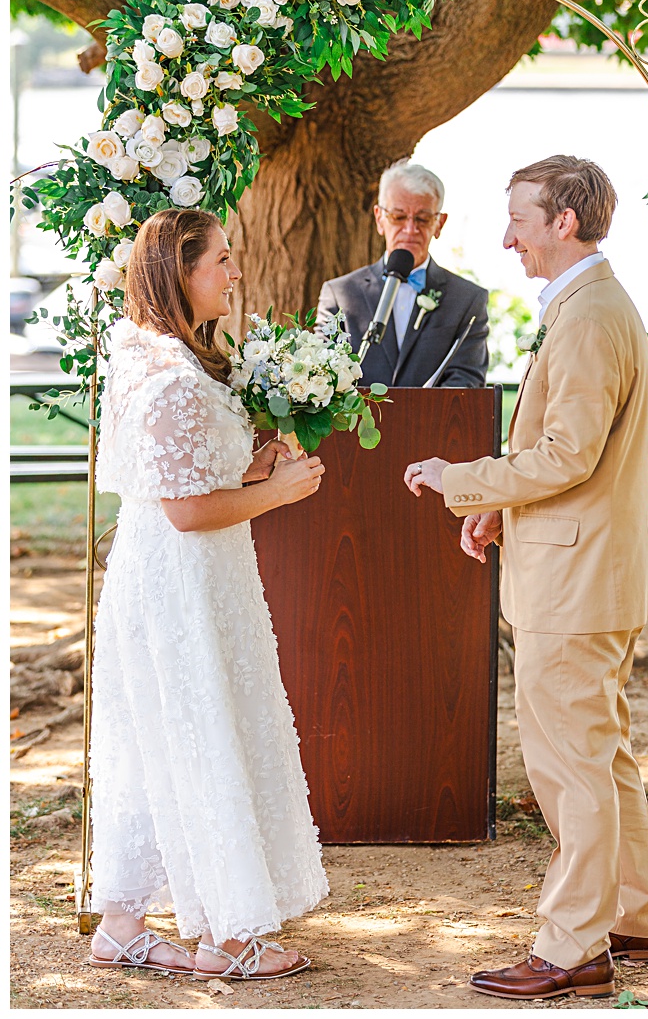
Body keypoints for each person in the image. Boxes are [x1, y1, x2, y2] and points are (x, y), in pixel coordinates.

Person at [402, 156, 648, 1001]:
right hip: (589, 571)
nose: (507, 236)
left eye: (520, 218)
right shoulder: (595, 306)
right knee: (606, 756)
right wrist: (502, 511)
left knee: (570, 768)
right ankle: (637, 914)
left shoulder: (589, 317)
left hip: (575, 585)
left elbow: (567, 453)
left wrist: (462, 480)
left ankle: (571, 948)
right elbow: (577, 462)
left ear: (566, 221)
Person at [88, 208, 328, 980]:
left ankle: (122, 925)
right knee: (204, 733)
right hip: (183, 585)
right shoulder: (166, 379)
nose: (233, 272)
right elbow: (187, 511)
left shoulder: (156, 358)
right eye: (220, 260)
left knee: (160, 738)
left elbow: (184, 479)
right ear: (179, 275)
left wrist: (254, 466)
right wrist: (280, 492)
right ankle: (227, 938)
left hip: (175, 574)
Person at [318, 158, 490, 387]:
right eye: (398, 217)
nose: (410, 229)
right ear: (380, 219)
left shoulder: (468, 299)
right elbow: (323, 373)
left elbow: (466, 381)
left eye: (423, 218)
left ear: (439, 223)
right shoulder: (339, 293)